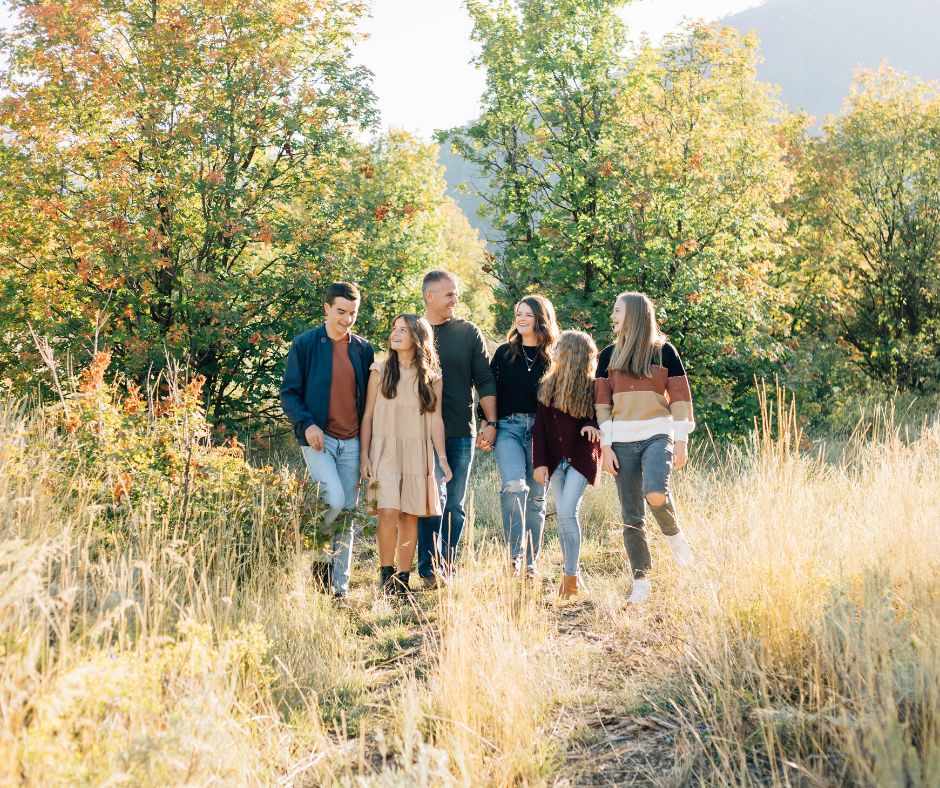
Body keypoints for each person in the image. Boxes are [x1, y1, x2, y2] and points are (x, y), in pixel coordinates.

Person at [594, 292, 696, 604]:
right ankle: (641, 580)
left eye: (617, 310)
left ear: (635, 315)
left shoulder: (664, 352)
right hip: (621, 441)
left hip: (657, 433)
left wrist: (681, 439)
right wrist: (606, 447)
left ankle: (674, 535)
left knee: (656, 492)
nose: (612, 316)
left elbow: (679, 398)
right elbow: (602, 405)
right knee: (631, 516)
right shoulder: (608, 356)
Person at [280, 282, 375, 601]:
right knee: (332, 502)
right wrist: (307, 424)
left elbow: (369, 402)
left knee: (347, 514)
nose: (347, 319)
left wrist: (367, 449)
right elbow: (289, 393)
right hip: (319, 442)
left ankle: (339, 589)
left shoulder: (362, 349)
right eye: (340, 312)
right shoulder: (305, 344)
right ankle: (319, 562)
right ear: (327, 308)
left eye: (352, 313)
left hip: (353, 443)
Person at [359, 315, 452, 597]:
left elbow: (436, 420)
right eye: (394, 329)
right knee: (387, 511)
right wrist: (365, 455)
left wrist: (443, 458)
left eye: (403, 330)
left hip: (417, 451)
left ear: (417, 337)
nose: (395, 334)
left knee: (409, 515)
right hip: (384, 450)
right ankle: (385, 576)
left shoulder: (431, 377)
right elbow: (368, 416)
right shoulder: (380, 369)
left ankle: (402, 579)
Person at [417, 270, 497, 586]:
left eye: (456, 293)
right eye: (449, 293)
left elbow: (485, 380)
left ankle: (445, 565)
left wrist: (490, 422)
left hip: (460, 431)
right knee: (428, 500)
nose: (455, 299)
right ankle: (427, 569)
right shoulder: (414, 331)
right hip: (419, 432)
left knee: (453, 502)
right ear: (429, 296)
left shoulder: (468, 333)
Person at [490, 295, 559, 576]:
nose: (521, 319)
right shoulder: (504, 354)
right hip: (509, 428)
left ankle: (530, 563)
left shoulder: (555, 357)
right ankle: (513, 556)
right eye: (518, 314)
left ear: (541, 319)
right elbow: (489, 392)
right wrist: (488, 423)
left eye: (527, 315)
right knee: (515, 487)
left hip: (542, 432)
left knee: (537, 498)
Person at [532, 330, 603, 598]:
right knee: (563, 518)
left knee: (567, 513)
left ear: (573, 352)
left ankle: (570, 580)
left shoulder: (592, 386)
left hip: (580, 460)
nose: (555, 349)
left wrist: (592, 425)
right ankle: (572, 575)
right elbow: (539, 428)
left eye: (560, 346)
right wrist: (539, 463)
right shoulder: (548, 385)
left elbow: (602, 416)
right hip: (554, 462)